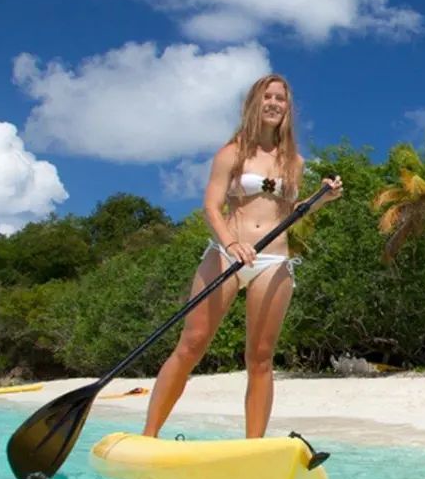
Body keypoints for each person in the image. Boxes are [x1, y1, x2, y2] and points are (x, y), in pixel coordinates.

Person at [142, 74, 344, 438]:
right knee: (191, 345)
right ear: (253, 103)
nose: (273, 103)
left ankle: (253, 449)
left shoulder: (294, 162)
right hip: (227, 253)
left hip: (274, 262)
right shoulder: (232, 152)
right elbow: (211, 205)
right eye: (266, 96)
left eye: (280, 98)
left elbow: (288, 212)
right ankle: (149, 436)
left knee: (261, 359)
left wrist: (321, 200)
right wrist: (231, 243)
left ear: (288, 108)